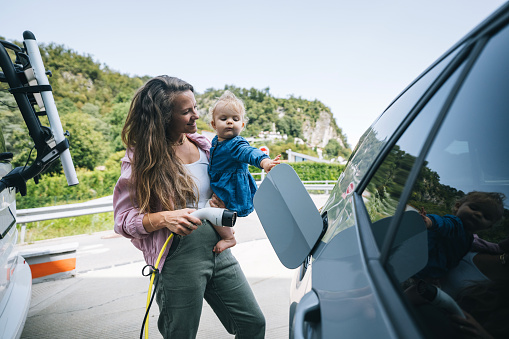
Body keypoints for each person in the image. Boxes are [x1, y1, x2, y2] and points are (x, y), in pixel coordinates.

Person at [113, 76, 265, 338]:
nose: (196, 115)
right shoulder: (140, 160)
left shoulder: (206, 145)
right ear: (162, 116)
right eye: (186, 111)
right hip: (177, 258)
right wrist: (164, 218)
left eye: (195, 107)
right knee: (181, 334)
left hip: (218, 250)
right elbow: (123, 221)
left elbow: (229, 175)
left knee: (253, 324)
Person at [207, 90, 280, 253]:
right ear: (213, 124)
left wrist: (264, 161)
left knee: (214, 209)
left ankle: (229, 238)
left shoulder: (235, 143)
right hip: (223, 183)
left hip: (231, 188)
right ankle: (227, 229)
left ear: (242, 124)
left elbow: (249, 152)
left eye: (235, 119)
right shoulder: (215, 141)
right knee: (216, 210)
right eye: (223, 119)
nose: (230, 122)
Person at [417, 191, 505, 280]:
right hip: (415, 268)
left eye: (486, 216)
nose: (478, 214)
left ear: (489, 226)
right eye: (474, 208)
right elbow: (442, 223)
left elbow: (489, 247)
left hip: (427, 276)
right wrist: (429, 221)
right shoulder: (455, 224)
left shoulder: (470, 239)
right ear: (457, 206)